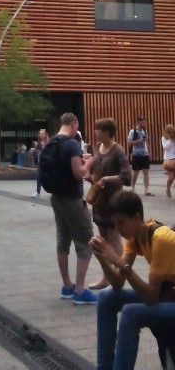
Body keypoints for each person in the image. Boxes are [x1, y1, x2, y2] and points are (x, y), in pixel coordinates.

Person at [91, 190, 175, 370]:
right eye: (115, 224)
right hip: (166, 295)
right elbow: (118, 283)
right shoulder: (134, 236)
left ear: (137, 217)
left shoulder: (161, 239)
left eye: (121, 222)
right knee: (106, 297)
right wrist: (103, 259)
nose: (117, 229)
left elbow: (151, 297)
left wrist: (121, 263)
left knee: (130, 313)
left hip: (169, 297)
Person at [49, 112, 97, 304]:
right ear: (73, 124)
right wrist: (90, 161)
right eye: (77, 126)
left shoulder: (52, 142)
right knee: (85, 242)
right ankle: (80, 290)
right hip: (72, 200)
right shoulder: (71, 144)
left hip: (56, 198)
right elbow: (79, 173)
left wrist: (80, 156)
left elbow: (65, 163)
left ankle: (67, 286)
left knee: (63, 240)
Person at [86, 118, 131, 291]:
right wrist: (90, 176)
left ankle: (119, 274)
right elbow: (96, 169)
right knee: (103, 239)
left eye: (98, 129)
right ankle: (106, 277)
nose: (95, 132)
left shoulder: (118, 151)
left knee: (114, 238)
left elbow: (126, 177)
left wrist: (106, 179)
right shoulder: (97, 147)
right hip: (100, 201)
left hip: (113, 201)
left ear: (106, 132)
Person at [128, 116, 153, 196]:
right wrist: (139, 140)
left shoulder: (145, 131)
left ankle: (146, 190)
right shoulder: (133, 131)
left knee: (146, 172)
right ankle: (132, 188)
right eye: (143, 123)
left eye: (145, 123)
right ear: (138, 122)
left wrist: (149, 152)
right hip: (136, 154)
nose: (144, 124)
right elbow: (129, 142)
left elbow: (147, 142)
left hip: (145, 154)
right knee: (136, 172)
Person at [31, 128, 51, 197]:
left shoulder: (48, 142)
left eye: (42, 133)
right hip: (40, 162)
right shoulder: (39, 143)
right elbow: (37, 151)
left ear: (45, 134)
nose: (41, 135)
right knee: (39, 176)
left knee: (49, 177)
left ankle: (54, 191)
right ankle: (37, 192)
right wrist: (34, 151)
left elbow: (49, 151)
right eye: (40, 133)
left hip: (47, 162)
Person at [161, 124, 175, 199]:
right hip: (169, 159)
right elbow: (166, 147)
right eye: (170, 132)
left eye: (172, 131)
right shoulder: (164, 138)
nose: (171, 133)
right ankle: (168, 188)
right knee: (171, 178)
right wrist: (170, 139)